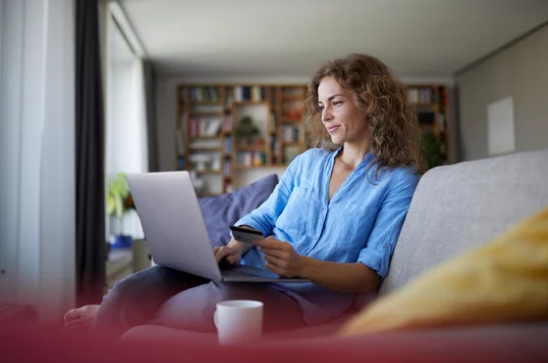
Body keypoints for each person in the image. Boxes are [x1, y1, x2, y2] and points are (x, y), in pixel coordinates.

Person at [65, 53, 421, 337]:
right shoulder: (308, 163)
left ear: (371, 102)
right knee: (133, 286)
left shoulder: (397, 181)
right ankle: (118, 311)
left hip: (303, 300)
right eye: (321, 104)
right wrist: (236, 246)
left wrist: (302, 266)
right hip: (248, 272)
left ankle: (111, 318)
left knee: (218, 303)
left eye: (336, 102)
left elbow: (369, 275)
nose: (324, 115)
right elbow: (263, 217)